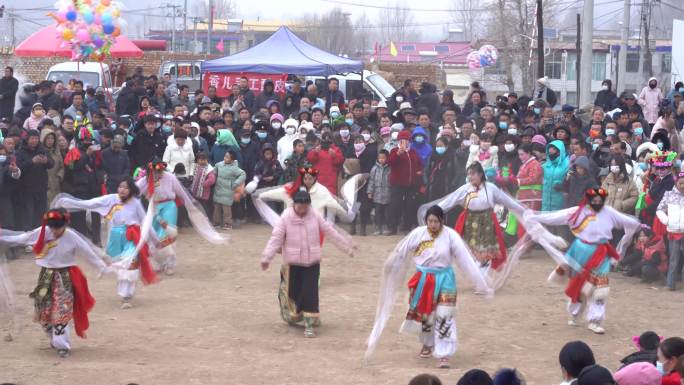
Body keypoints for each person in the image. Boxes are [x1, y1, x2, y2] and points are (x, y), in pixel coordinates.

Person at [365, 205, 491, 368]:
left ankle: (444, 353)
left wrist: (481, 283)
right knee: (426, 315)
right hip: (423, 280)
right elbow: (401, 251)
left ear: (442, 221)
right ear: (426, 221)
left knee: (444, 315)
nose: (432, 224)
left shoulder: (450, 236)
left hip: (445, 279)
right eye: (430, 221)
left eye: (436, 221)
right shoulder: (418, 234)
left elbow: (465, 260)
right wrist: (391, 263)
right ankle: (428, 343)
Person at [0, 208, 110, 357]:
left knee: (61, 311)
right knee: (43, 313)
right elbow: (22, 238)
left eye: (58, 227)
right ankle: (54, 337)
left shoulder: (71, 236)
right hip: (45, 277)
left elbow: (87, 252)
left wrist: (102, 267)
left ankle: (63, 345)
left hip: (64, 277)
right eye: (52, 226)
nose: (55, 230)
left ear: (66, 223)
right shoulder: (42, 232)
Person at [531, 188, 640, 334]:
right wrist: (535, 217)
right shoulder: (577, 212)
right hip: (580, 251)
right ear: (588, 200)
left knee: (600, 288)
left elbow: (627, 220)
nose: (597, 203)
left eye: (600, 201)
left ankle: (595, 320)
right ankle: (575, 313)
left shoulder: (609, 212)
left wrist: (638, 224)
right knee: (579, 284)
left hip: (601, 253)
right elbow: (555, 217)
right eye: (594, 201)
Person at [51, 179, 158, 308]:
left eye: (126, 187)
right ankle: (124, 291)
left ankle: (126, 296)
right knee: (119, 265)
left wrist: (155, 240)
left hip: (132, 237)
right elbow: (91, 204)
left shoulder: (136, 203)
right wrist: (69, 203)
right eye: (120, 187)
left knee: (130, 263)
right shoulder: (111, 199)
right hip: (115, 237)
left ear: (131, 190)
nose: (122, 190)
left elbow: (145, 221)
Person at [260, 190, 354, 338]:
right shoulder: (285, 216)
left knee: (310, 293)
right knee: (294, 293)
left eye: (305, 207)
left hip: (312, 262)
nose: (302, 210)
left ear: (309, 205)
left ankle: (309, 324)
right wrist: (267, 258)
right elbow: (276, 238)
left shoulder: (315, 214)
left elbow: (330, 232)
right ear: (294, 204)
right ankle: (297, 316)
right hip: (293, 263)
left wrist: (346, 247)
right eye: (299, 207)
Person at [136, 159, 226, 275]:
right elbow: (133, 191)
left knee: (168, 234)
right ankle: (158, 262)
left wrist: (190, 203)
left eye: (161, 171)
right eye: (157, 171)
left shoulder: (170, 177)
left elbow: (181, 192)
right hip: (154, 208)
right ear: (151, 171)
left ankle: (169, 264)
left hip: (169, 206)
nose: (160, 173)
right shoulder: (146, 180)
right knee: (153, 235)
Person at [17, 130, 54, 230]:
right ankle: (28, 237)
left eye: (36, 138)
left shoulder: (42, 150)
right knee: (28, 214)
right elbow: (18, 168)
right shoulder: (21, 151)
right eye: (32, 138)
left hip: (41, 188)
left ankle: (39, 236)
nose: (34, 141)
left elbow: (52, 164)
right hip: (26, 189)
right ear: (27, 139)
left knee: (40, 213)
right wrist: (31, 161)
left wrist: (46, 161)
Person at [505, 143, 543, 239]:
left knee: (528, 221)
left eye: (522, 154)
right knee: (522, 220)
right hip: (524, 195)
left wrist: (517, 180)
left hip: (532, 196)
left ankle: (527, 243)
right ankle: (522, 242)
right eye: (519, 155)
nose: (520, 157)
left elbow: (533, 179)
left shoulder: (535, 164)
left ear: (529, 153)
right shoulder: (525, 165)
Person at [655, 172, 684, 290]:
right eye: (681, 183)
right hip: (674, 230)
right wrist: (667, 221)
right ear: (676, 182)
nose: (683, 186)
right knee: (674, 258)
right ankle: (670, 284)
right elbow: (659, 209)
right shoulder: (668, 195)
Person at [212, 150, 246, 230]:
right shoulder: (219, 165)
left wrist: (235, 183)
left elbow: (243, 174)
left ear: (232, 160)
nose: (225, 158)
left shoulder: (235, 168)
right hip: (218, 189)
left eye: (227, 157)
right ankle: (216, 223)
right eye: (225, 156)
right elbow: (214, 172)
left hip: (228, 191)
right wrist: (214, 179)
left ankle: (227, 224)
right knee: (216, 208)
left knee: (226, 209)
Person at [306, 131, 343, 196]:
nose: (326, 142)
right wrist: (315, 152)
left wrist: (334, 156)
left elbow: (340, 161)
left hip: (331, 180)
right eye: (324, 139)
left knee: (331, 199)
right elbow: (310, 159)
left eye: (329, 140)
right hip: (318, 180)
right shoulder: (317, 149)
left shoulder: (336, 149)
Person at [368, 149, 391, 235]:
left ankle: (385, 226)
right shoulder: (374, 169)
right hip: (377, 194)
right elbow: (371, 181)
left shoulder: (390, 168)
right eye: (380, 158)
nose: (381, 159)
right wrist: (370, 192)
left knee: (387, 212)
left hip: (387, 193)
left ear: (387, 158)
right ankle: (378, 227)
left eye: (383, 158)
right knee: (377, 212)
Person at [543, 140, 569, 212]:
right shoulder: (545, 165)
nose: (551, 152)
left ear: (559, 151)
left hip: (560, 202)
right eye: (549, 150)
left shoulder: (567, 164)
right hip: (546, 203)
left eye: (553, 149)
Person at [40, 127, 64, 204]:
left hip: (56, 184)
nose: (50, 141)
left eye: (52, 138)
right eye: (48, 138)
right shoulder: (40, 152)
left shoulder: (57, 152)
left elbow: (62, 167)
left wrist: (59, 177)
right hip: (44, 185)